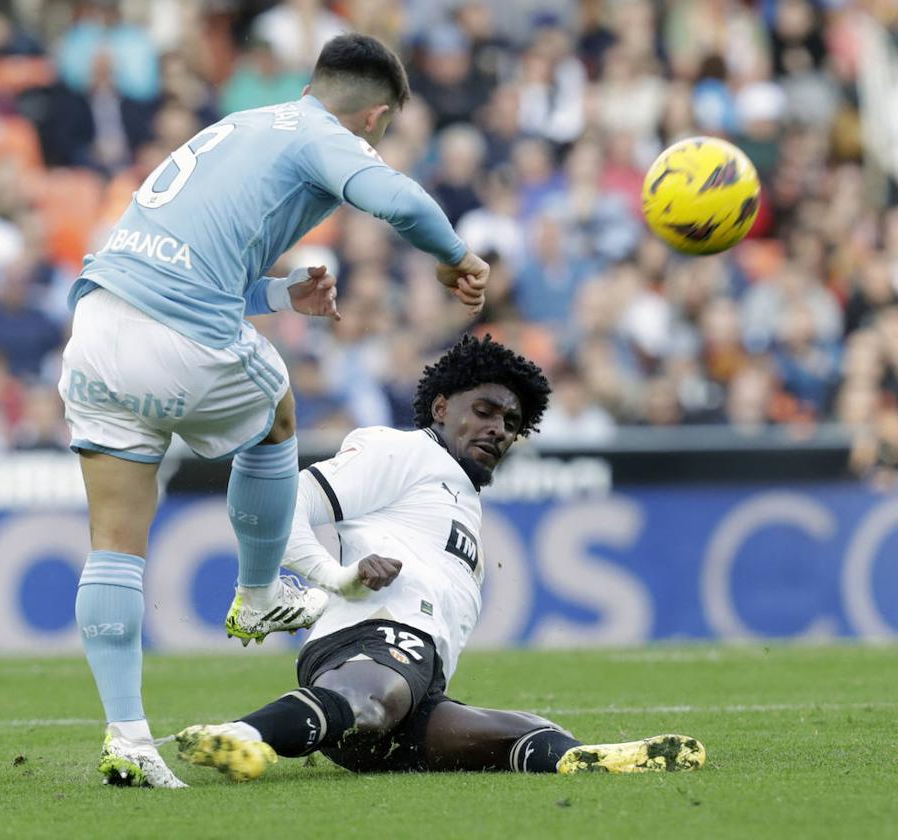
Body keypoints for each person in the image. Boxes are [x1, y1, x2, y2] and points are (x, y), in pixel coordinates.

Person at [59, 33, 490, 788]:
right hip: (177, 331)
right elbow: (399, 200)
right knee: (278, 410)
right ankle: (259, 592)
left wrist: (282, 294)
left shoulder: (242, 127)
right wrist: (456, 256)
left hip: (97, 326)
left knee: (115, 544)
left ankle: (127, 737)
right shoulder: (325, 134)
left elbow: (191, 259)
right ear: (375, 117)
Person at [176, 335, 706, 780]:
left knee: (521, 730)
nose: (499, 428)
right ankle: (241, 735)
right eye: (484, 411)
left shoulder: (462, 501)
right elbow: (281, 503)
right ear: (440, 408)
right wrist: (336, 577)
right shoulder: (402, 451)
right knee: (376, 695)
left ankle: (582, 759)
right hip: (368, 643)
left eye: (511, 422)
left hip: (414, 684)